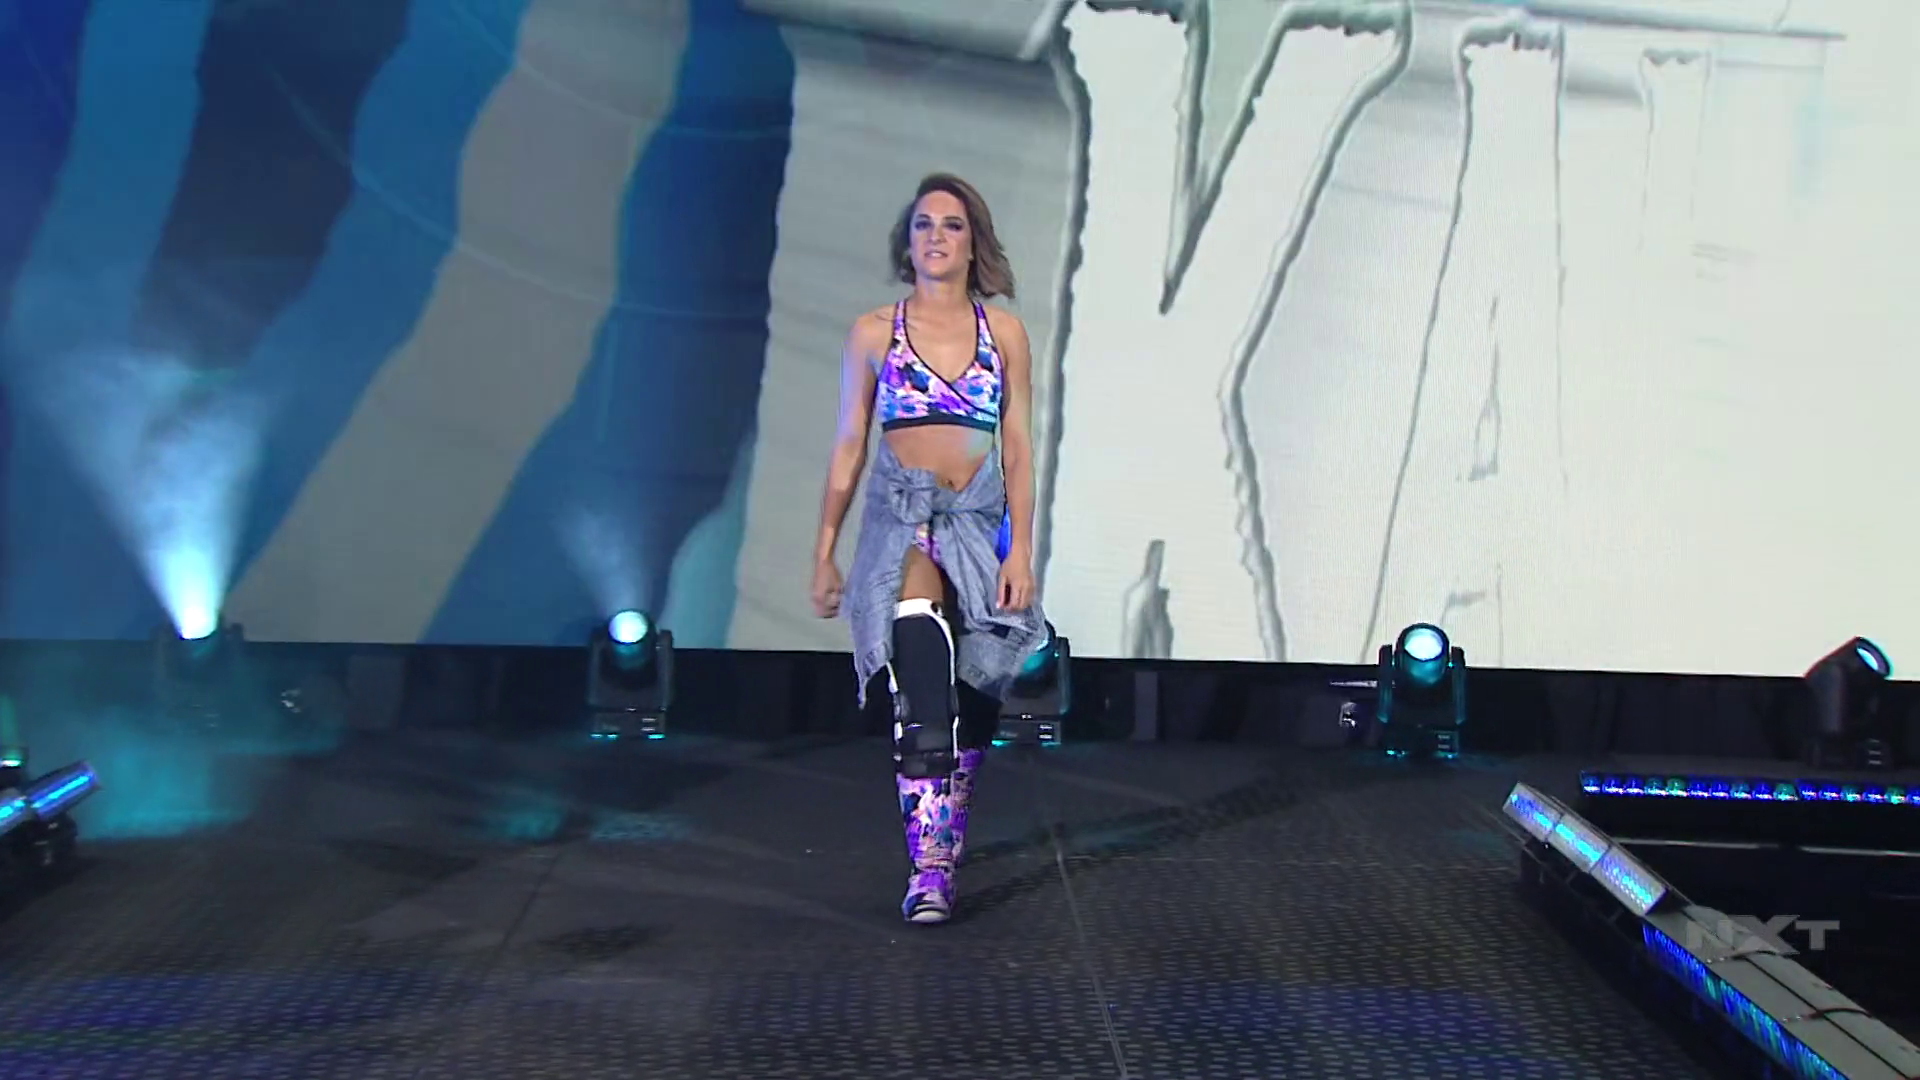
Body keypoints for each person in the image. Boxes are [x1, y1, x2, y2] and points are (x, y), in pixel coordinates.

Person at [810, 173, 1049, 925]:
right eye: (923, 225)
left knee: (972, 703)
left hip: (977, 526)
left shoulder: (1002, 334)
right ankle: (929, 870)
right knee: (921, 681)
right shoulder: (875, 332)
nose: (936, 237)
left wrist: (1020, 550)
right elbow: (849, 446)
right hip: (902, 521)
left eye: (951, 225)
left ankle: (945, 834)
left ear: (973, 242)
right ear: (907, 242)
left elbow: (1018, 447)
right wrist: (825, 550)